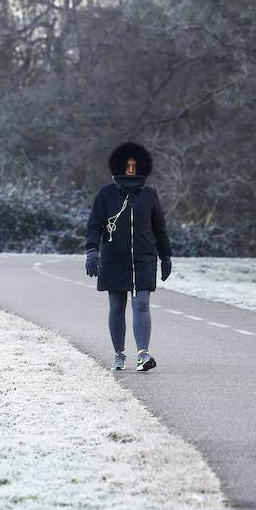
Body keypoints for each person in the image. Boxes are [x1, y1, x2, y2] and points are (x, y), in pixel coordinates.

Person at [85, 142, 172, 371]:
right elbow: (94, 225)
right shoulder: (106, 194)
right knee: (116, 306)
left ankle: (143, 354)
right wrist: (92, 250)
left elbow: (160, 229)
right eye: (127, 165)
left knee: (141, 303)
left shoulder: (150, 195)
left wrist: (166, 257)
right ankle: (119, 354)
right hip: (114, 259)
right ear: (120, 166)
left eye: (135, 165)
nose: (131, 170)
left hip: (144, 259)